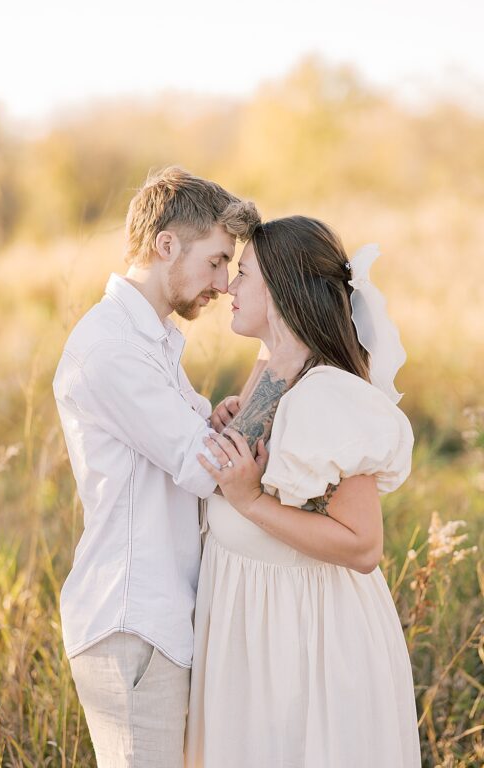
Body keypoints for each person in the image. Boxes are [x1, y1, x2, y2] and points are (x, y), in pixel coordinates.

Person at [52, 167, 306, 767]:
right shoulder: (112, 348)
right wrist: (282, 354)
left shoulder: (152, 340)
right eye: (217, 261)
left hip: (165, 614)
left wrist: (212, 421)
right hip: (134, 621)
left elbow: (187, 448)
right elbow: (208, 469)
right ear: (167, 245)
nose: (222, 284)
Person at [184, 216, 420, 766]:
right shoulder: (269, 369)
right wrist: (230, 434)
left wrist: (251, 502)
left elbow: (363, 546)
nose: (229, 289)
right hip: (250, 623)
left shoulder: (331, 394)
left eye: (243, 275)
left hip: (304, 640)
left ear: (283, 288)